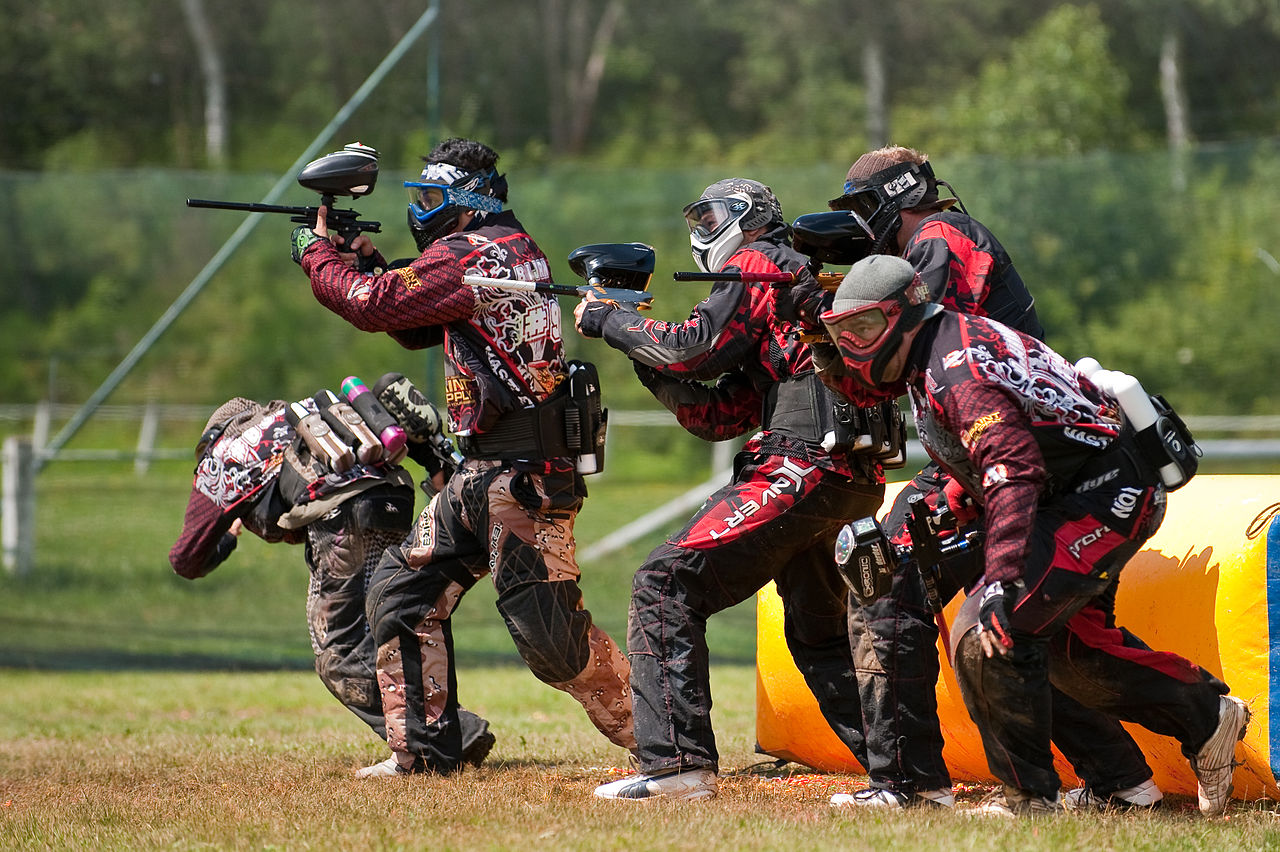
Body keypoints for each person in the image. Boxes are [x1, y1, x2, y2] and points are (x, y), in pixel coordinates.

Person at [820, 254, 1249, 816]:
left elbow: (1013, 465)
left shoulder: (955, 369)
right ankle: (1206, 715)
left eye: (864, 328)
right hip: (1070, 494)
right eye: (841, 332)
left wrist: (998, 580)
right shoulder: (937, 348)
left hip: (1105, 495)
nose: (853, 347)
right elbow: (996, 453)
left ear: (905, 315)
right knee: (1071, 653)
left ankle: (1031, 801)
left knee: (986, 632)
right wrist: (942, 516)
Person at [817, 146, 1161, 810]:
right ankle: (1123, 781)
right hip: (1014, 462)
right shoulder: (942, 246)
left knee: (889, 577)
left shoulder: (941, 240)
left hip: (1003, 463)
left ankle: (911, 784)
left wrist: (834, 305)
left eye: (862, 210)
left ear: (893, 197)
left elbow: (906, 342)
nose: (859, 226)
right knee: (1029, 635)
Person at [291, 137, 635, 778]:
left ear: (470, 203)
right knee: (400, 591)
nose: (422, 211)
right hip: (479, 476)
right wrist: (373, 261)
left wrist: (318, 257)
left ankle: (666, 741)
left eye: (431, 199)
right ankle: (422, 751)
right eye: (417, 198)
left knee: (553, 642)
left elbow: (374, 306)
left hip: (523, 480)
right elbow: (417, 319)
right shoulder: (497, 249)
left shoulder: (473, 252)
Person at [575, 178, 887, 801]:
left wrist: (614, 319)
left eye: (713, 215)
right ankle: (901, 773)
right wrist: (640, 346)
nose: (701, 228)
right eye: (695, 216)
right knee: (818, 632)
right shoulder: (782, 288)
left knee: (665, 583)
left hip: (803, 463)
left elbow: (694, 350)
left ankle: (677, 767)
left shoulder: (756, 264)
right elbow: (716, 415)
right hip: (846, 473)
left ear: (750, 219)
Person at [168, 389, 495, 766]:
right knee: (380, 630)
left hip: (341, 517)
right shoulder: (293, 414)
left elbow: (186, 559)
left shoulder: (221, 458)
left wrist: (226, 539)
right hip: (394, 499)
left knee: (339, 654)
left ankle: (443, 738)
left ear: (213, 436)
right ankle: (443, 732)